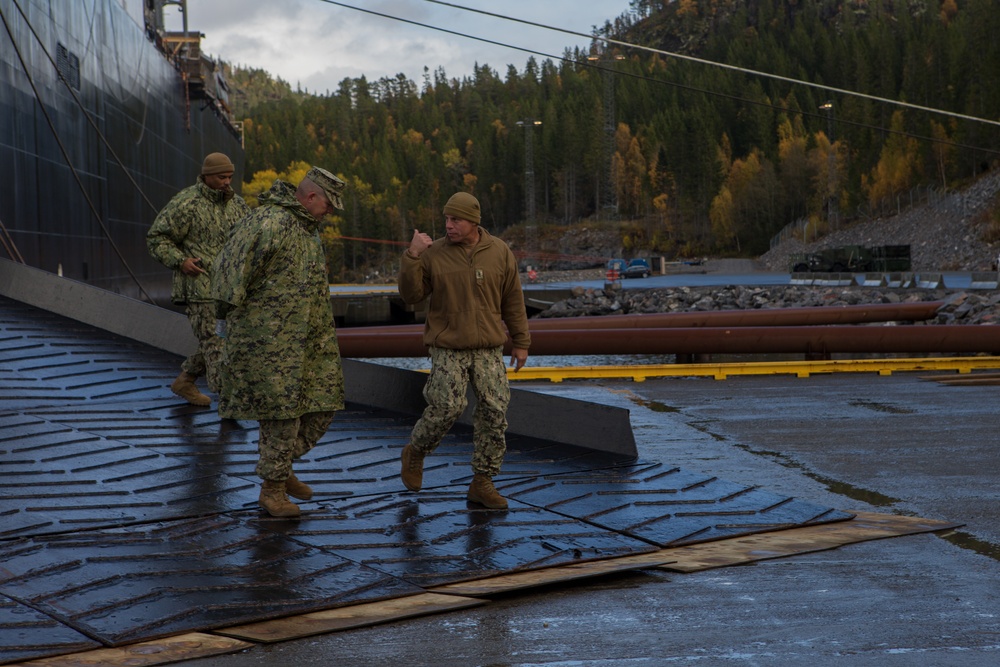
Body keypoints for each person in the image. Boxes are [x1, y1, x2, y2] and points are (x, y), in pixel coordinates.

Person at [210, 167, 347, 517]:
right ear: (311, 196)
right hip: (269, 342)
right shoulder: (268, 222)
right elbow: (229, 271)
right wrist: (232, 323)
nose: (331, 211)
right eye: (329, 204)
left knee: (324, 403)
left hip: (309, 340)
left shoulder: (307, 230)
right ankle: (272, 490)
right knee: (281, 415)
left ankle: (281, 468)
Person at [397, 191, 531, 509]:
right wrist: (412, 256)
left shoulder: (499, 252)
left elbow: (513, 299)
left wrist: (522, 342)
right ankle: (415, 451)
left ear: (473, 221)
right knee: (447, 407)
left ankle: (482, 483)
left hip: (488, 347)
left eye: (455, 219)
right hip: (448, 346)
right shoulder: (433, 254)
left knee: (494, 413)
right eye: (446, 219)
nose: (449, 225)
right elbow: (410, 296)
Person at [147, 152, 250, 406]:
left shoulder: (238, 205)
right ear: (206, 176)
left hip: (231, 291)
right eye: (221, 177)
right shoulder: (186, 203)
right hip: (200, 289)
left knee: (227, 340)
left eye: (230, 176)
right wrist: (181, 261)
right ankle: (229, 403)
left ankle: (185, 381)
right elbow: (157, 238)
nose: (227, 182)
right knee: (216, 344)